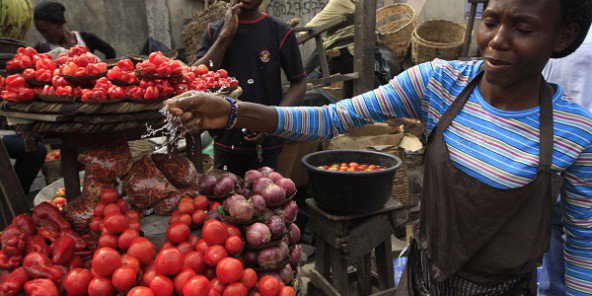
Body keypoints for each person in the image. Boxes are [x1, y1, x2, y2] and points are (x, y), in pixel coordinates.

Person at [168, 0, 592, 294]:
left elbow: (582, 245)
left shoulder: (575, 131)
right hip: (423, 281)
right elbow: (332, 117)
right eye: (491, 21)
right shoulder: (439, 83)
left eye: (523, 28)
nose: (497, 40)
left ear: (562, 35)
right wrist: (232, 111)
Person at [193, 0, 307, 177]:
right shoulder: (215, 31)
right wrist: (225, 35)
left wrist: (272, 120)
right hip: (225, 140)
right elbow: (197, 76)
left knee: (267, 198)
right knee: (227, 199)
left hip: (267, 143)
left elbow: (299, 83)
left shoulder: (279, 31)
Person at [538, 27, 592, 296]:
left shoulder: (548, 31)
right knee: (555, 225)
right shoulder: (546, 29)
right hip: (557, 147)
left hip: (564, 145)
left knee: (564, 227)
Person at [33, 2, 116, 59]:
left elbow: (111, 52)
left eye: (46, 31)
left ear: (58, 23)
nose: (44, 35)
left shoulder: (86, 38)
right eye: (41, 32)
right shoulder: (41, 48)